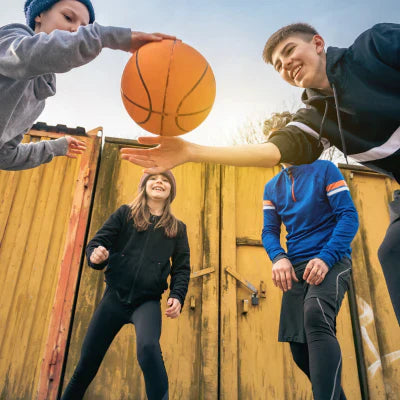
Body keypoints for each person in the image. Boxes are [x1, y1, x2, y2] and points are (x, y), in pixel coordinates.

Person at [120, 22, 400, 324]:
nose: (286, 64)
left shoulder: (374, 45)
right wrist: (192, 151)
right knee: (393, 253)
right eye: (278, 65)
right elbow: (271, 152)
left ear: (318, 43)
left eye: (290, 51)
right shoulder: (318, 118)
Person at [0, 0, 176, 170]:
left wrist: (55, 147)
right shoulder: (9, 41)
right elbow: (32, 54)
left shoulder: (38, 99)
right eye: (68, 17)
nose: (76, 29)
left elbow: (5, 155)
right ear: (39, 14)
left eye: (83, 28)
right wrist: (108, 37)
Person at [60, 170, 190, 400]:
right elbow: (97, 243)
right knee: (86, 363)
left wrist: (177, 295)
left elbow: (181, 268)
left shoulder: (177, 229)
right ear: (144, 186)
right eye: (153, 178)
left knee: (149, 349)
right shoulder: (125, 214)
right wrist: (95, 256)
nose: (159, 181)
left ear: (171, 191)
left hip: (146, 302)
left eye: (165, 179)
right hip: (114, 298)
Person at [262, 159, 358, 400]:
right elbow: (270, 231)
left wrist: (326, 258)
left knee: (315, 314)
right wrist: (278, 258)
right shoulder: (271, 187)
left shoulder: (325, 169)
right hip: (296, 267)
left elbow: (348, 216)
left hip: (332, 259)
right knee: (299, 347)